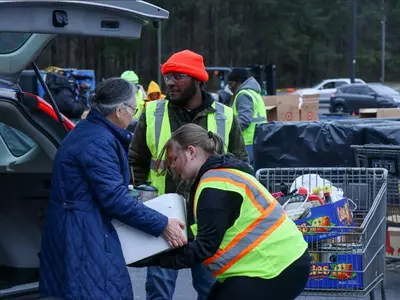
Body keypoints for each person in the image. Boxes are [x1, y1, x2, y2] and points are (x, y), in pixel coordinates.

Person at [39, 77, 187, 300]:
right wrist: (163, 224)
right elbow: (115, 199)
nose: (134, 115)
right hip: (84, 236)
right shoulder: (98, 142)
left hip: (79, 229)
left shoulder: (92, 133)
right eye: (133, 110)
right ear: (120, 110)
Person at [133, 123, 311, 300]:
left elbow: (204, 248)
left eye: (174, 159)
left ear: (191, 152)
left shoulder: (215, 187)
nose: (172, 166)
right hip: (276, 263)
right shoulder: (221, 176)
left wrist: (152, 259)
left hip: (275, 267)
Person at [129, 49, 249, 300]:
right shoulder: (152, 113)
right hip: (163, 217)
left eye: (178, 76)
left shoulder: (226, 116)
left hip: (209, 219)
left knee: (210, 289)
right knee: (159, 290)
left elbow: (241, 166)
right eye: (167, 77)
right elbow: (135, 161)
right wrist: (144, 198)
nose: (170, 82)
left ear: (198, 80)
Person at [227, 68, 267, 164]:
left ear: (239, 83)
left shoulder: (243, 95)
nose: (229, 88)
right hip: (257, 141)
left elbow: (244, 120)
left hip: (247, 143)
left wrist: (229, 131)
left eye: (230, 84)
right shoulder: (254, 93)